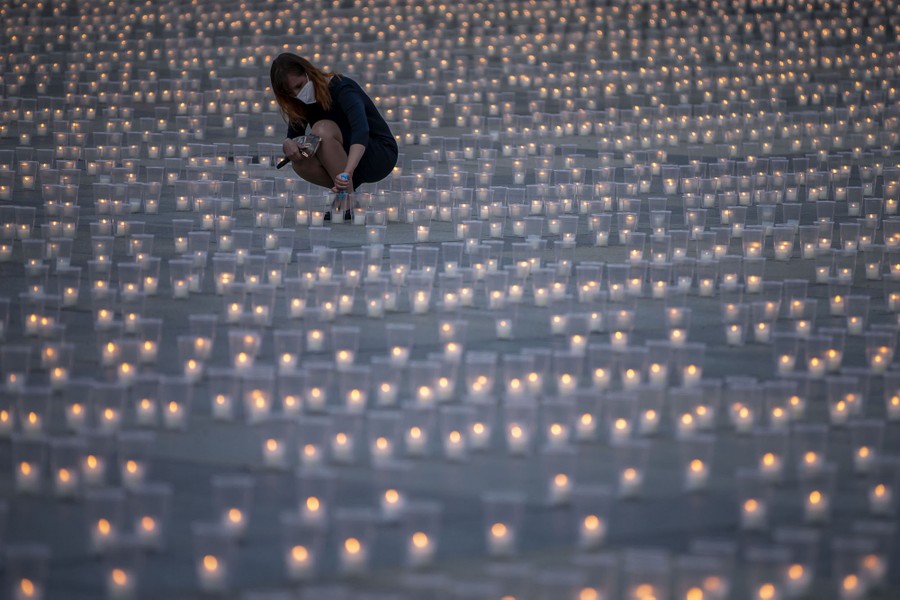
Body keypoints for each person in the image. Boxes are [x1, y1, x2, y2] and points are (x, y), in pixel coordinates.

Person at [270, 52, 398, 220]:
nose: (297, 94)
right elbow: (294, 136)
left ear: (309, 73)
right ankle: (347, 195)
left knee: (322, 129)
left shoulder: (341, 88)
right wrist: (288, 144)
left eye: (299, 86)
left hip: (376, 153)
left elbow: (362, 131)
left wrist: (347, 172)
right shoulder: (300, 102)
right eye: (290, 93)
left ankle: (346, 198)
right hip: (344, 161)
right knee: (300, 162)